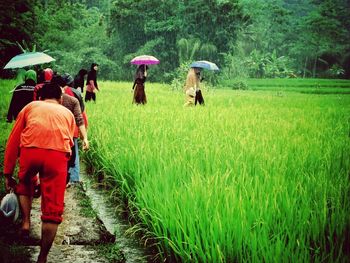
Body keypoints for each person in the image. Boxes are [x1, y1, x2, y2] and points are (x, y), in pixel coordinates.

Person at [3, 82, 76, 263]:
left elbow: (13, 141)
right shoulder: (67, 113)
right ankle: (42, 258)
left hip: (31, 150)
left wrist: (7, 172)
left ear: (39, 97)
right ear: (60, 99)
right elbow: (71, 144)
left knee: (25, 182)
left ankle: (26, 222)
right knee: (52, 210)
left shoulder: (31, 107)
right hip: (57, 155)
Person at [52, 75, 89, 184]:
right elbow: (81, 116)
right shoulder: (75, 96)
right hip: (71, 133)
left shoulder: (45, 97)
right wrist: (85, 137)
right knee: (72, 157)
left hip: (53, 134)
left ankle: (59, 178)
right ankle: (73, 180)